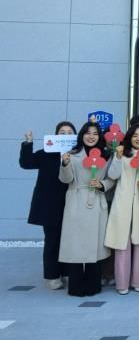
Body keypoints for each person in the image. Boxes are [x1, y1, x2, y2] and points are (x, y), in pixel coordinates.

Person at [19, 121, 76, 290]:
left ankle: (66, 272)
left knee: (68, 239)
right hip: (49, 204)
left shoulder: (78, 154)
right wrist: (28, 142)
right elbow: (26, 163)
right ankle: (52, 276)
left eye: (69, 132)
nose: (65, 135)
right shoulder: (46, 153)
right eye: (62, 132)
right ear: (56, 135)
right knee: (52, 240)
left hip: (71, 203)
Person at [58, 122, 112, 296]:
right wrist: (65, 164)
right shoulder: (72, 155)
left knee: (94, 245)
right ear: (81, 135)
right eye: (88, 133)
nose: (91, 136)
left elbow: (112, 178)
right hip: (76, 200)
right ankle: (76, 285)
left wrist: (102, 184)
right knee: (76, 245)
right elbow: (66, 179)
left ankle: (93, 284)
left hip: (96, 201)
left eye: (95, 133)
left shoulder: (106, 155)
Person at [104, 124, 139, 295]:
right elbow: (112, 175)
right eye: (135, 135)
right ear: (129, 138)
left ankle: (137, 282)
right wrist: (118, 158)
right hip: (122, 203)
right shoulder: (121, 154)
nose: (138, 138)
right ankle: (122, 283)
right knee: (122, 244)